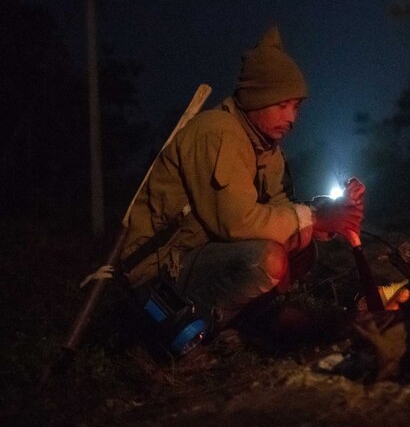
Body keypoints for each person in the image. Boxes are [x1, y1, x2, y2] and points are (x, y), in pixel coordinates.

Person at [121, 26, 365, 340]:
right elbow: (236, 222)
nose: (292, 117)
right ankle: (193, 331)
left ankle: (250, 317)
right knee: (266, 259)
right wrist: (314, 218)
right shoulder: (218, 132)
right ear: (256, 98)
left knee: (303, 249)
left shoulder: (266, 148)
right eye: (282, 105)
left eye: (296, 107)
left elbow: (279, 210)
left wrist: (331, 216)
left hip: (206, 252)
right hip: (162, 266)